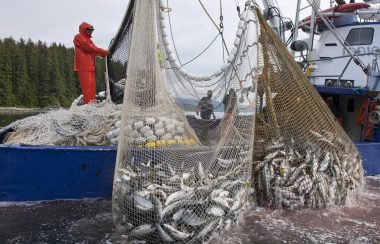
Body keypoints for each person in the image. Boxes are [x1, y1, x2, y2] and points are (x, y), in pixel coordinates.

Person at [74, 22, 111, 104]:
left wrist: (103, 54)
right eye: (89, 29)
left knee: (91, 87)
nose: (91, 31)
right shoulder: (78, 37)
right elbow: (90, 48)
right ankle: (88, 106)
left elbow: (94, 51)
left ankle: (92, 104)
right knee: (87, 88)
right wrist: (105, 52)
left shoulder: (89, 40)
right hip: (83, 67)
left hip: (91, 67)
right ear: (84, 29)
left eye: (92, 30)